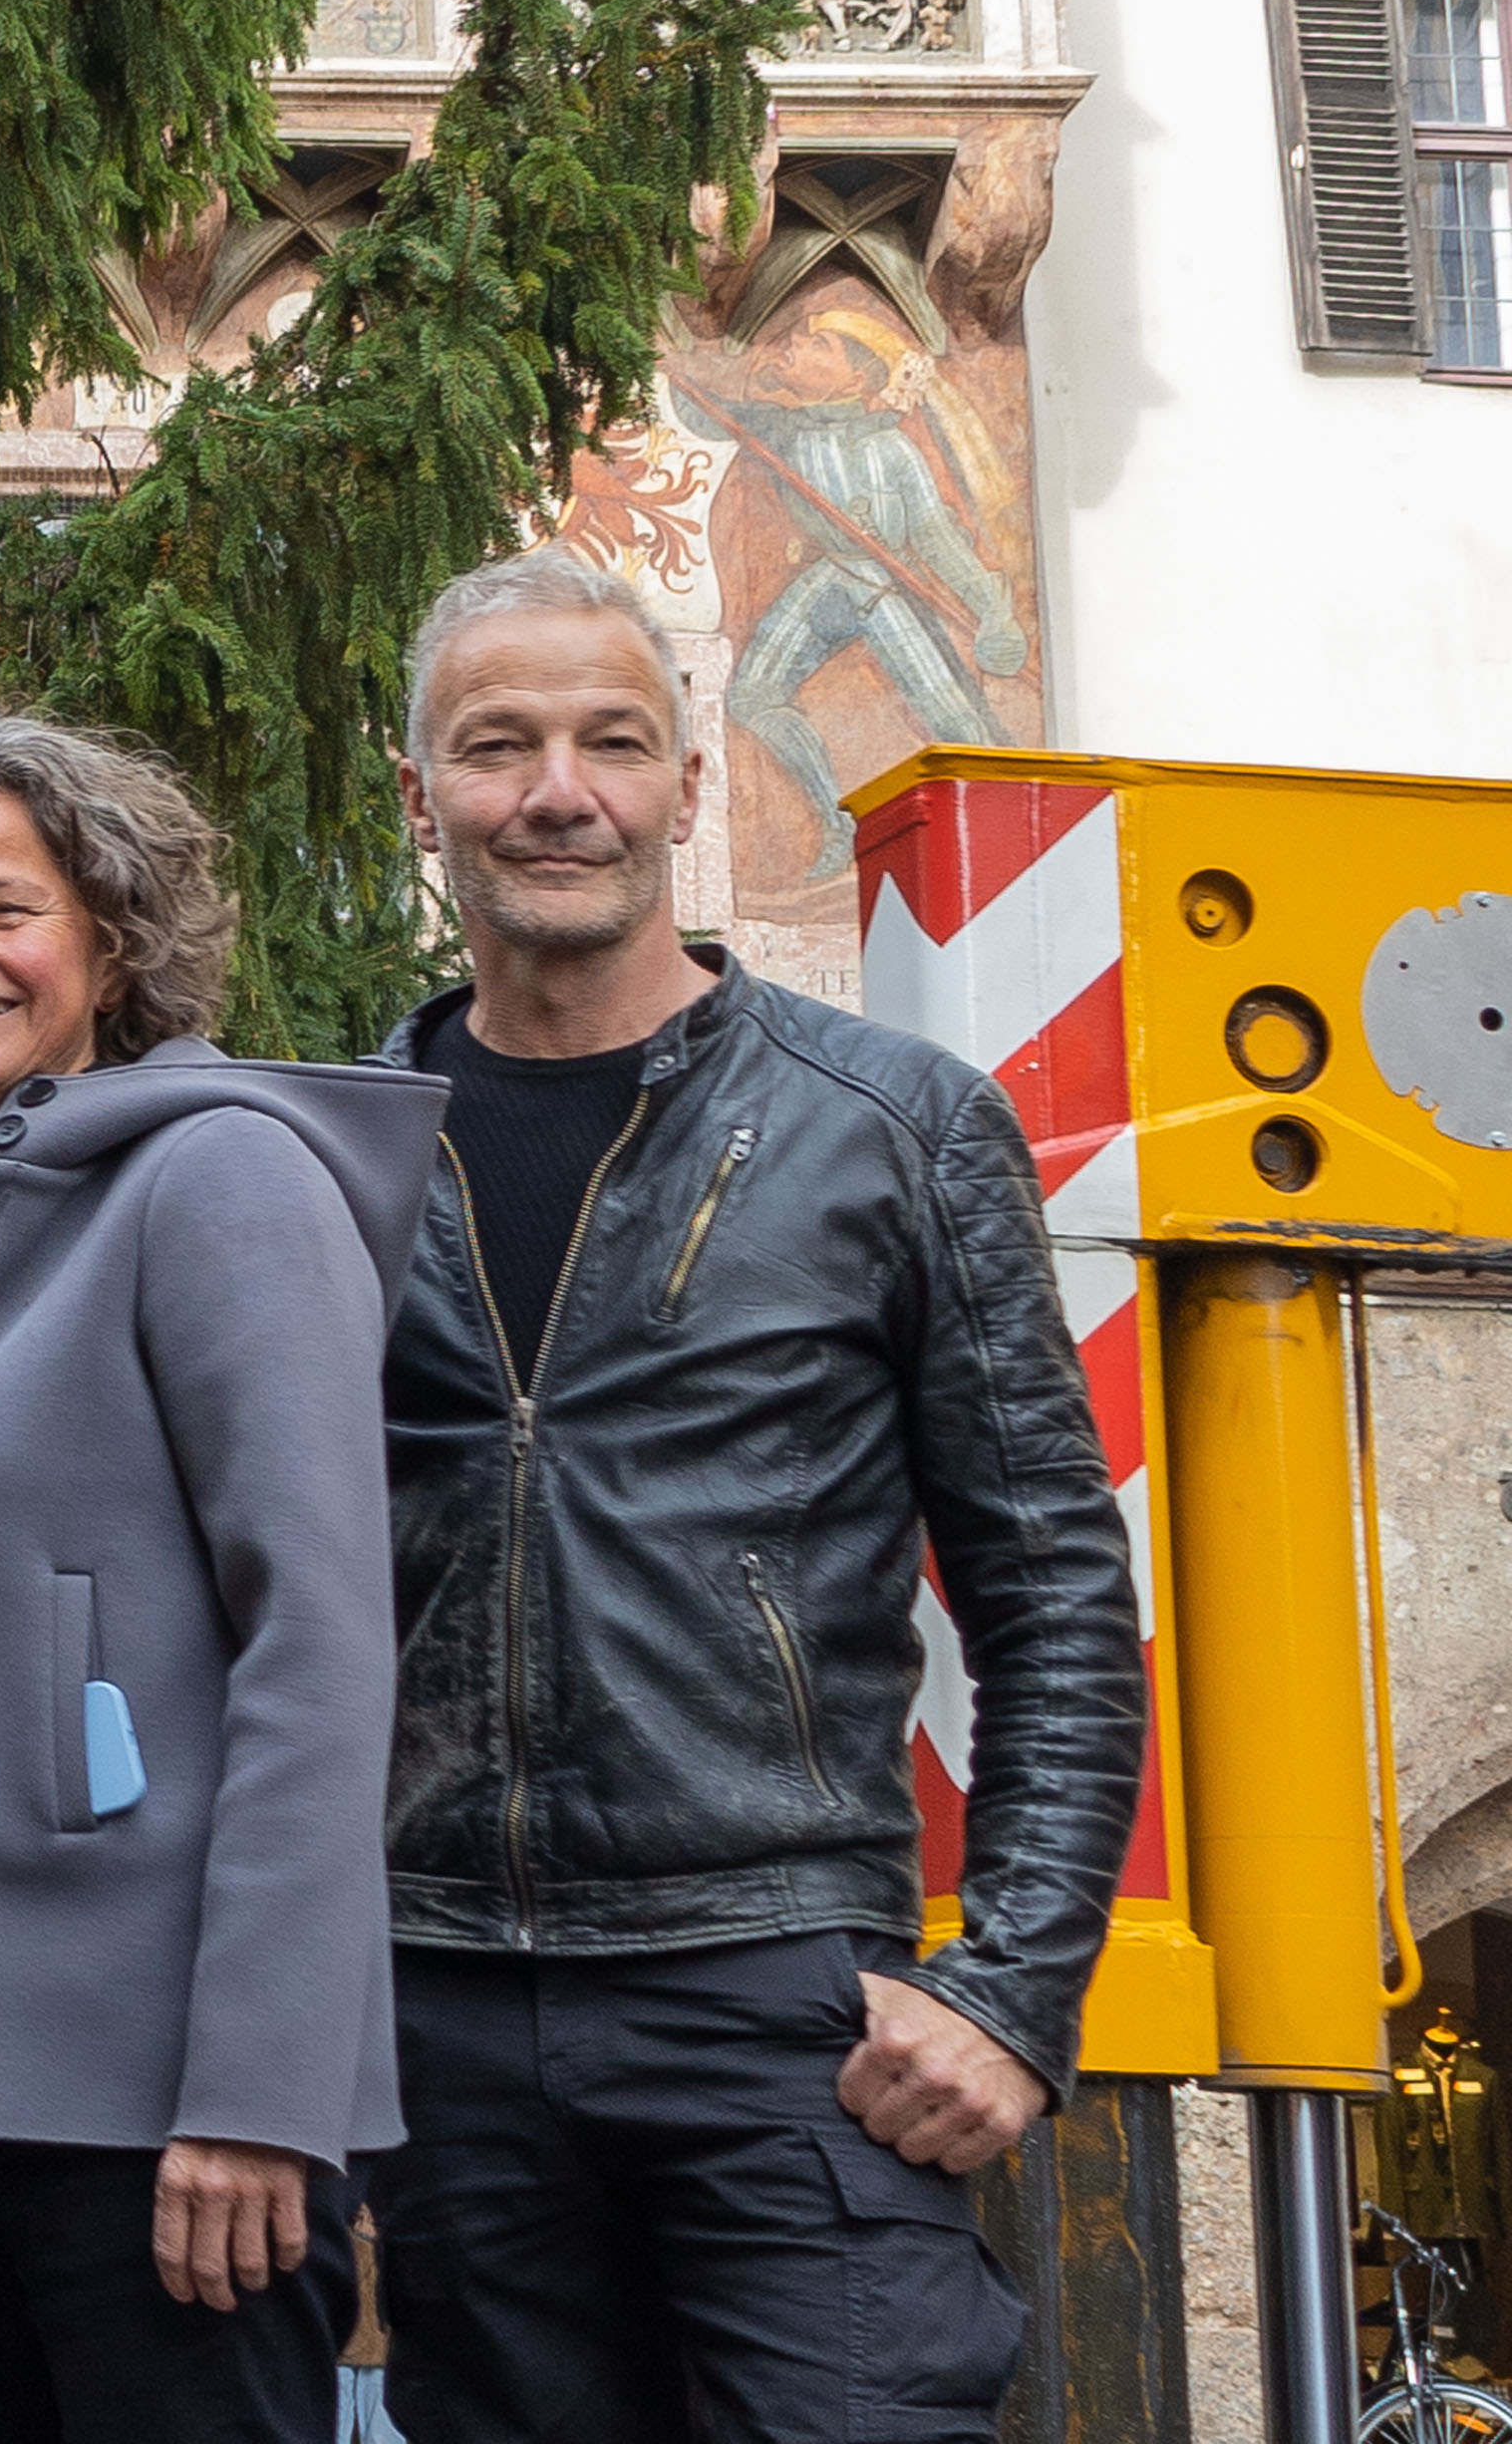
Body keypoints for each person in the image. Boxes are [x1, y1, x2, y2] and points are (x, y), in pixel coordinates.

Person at [368, 545, 1145, 2441]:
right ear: (421, 801)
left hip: (789, 2001)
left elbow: (1054, 1598)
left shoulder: (890, 1125)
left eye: (612, 741)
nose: (560, 790)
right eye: (500, 746)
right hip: (433, 2009)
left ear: (689, 783)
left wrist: (1016, 1991)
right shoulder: (329, 1154)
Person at [0, 708, 436, 2444]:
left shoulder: (223, 1180)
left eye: (4, 908)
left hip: (164, 2131)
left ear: (111, 941)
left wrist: (269, 2096)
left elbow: (321, 1653)